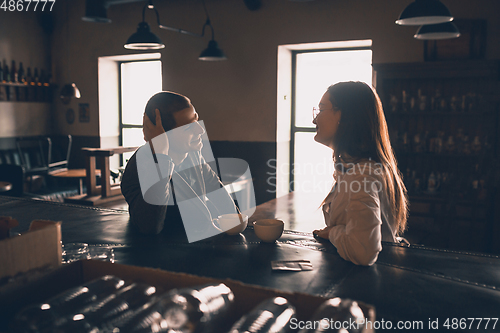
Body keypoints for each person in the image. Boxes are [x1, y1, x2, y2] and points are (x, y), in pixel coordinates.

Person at [311, 81, 408, 266]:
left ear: (344, 115)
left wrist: (332, 232)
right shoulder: (354, 168)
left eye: (321, 109)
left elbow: (363, 252)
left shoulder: (362, 175)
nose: (314, 120)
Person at [120, 91, 238, 241]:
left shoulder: (192, 155)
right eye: (188, 128)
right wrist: (161, 157)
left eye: (196, 120)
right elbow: (150, 226)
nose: (200, 130)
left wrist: (236, 225)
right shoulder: (141, 165)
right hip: (160, 254)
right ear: (162, 134)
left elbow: (216, 190)